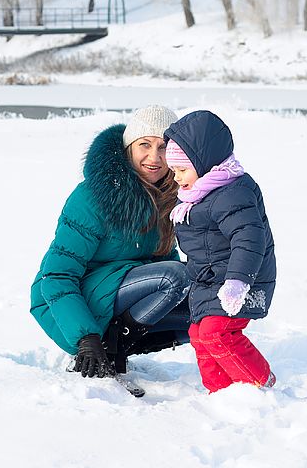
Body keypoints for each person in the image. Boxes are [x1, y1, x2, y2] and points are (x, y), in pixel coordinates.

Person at [30, 105, 191, 378]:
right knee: (174, 278)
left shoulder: (168, 197)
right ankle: (107, 345)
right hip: (67, 301)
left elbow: (165, 260)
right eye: (145, 145)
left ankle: (119, 345)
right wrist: (86, 337)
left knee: (204, 312)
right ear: (129, 147)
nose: (154, 157)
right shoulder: (93, 197)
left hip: (123, 293)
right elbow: (56, 275)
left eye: (163, 147)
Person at [164, 109, 277, 393]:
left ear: (203, 163)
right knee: (199, 335)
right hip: (210, 282)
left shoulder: (232, 192)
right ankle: (221, 393)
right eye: (174, 170)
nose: (176, 178)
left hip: (241, 282)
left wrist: (238, 282)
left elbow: (250, 238)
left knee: (217, 332)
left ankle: (259, 384)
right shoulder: (199, 195)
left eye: (181, 170)